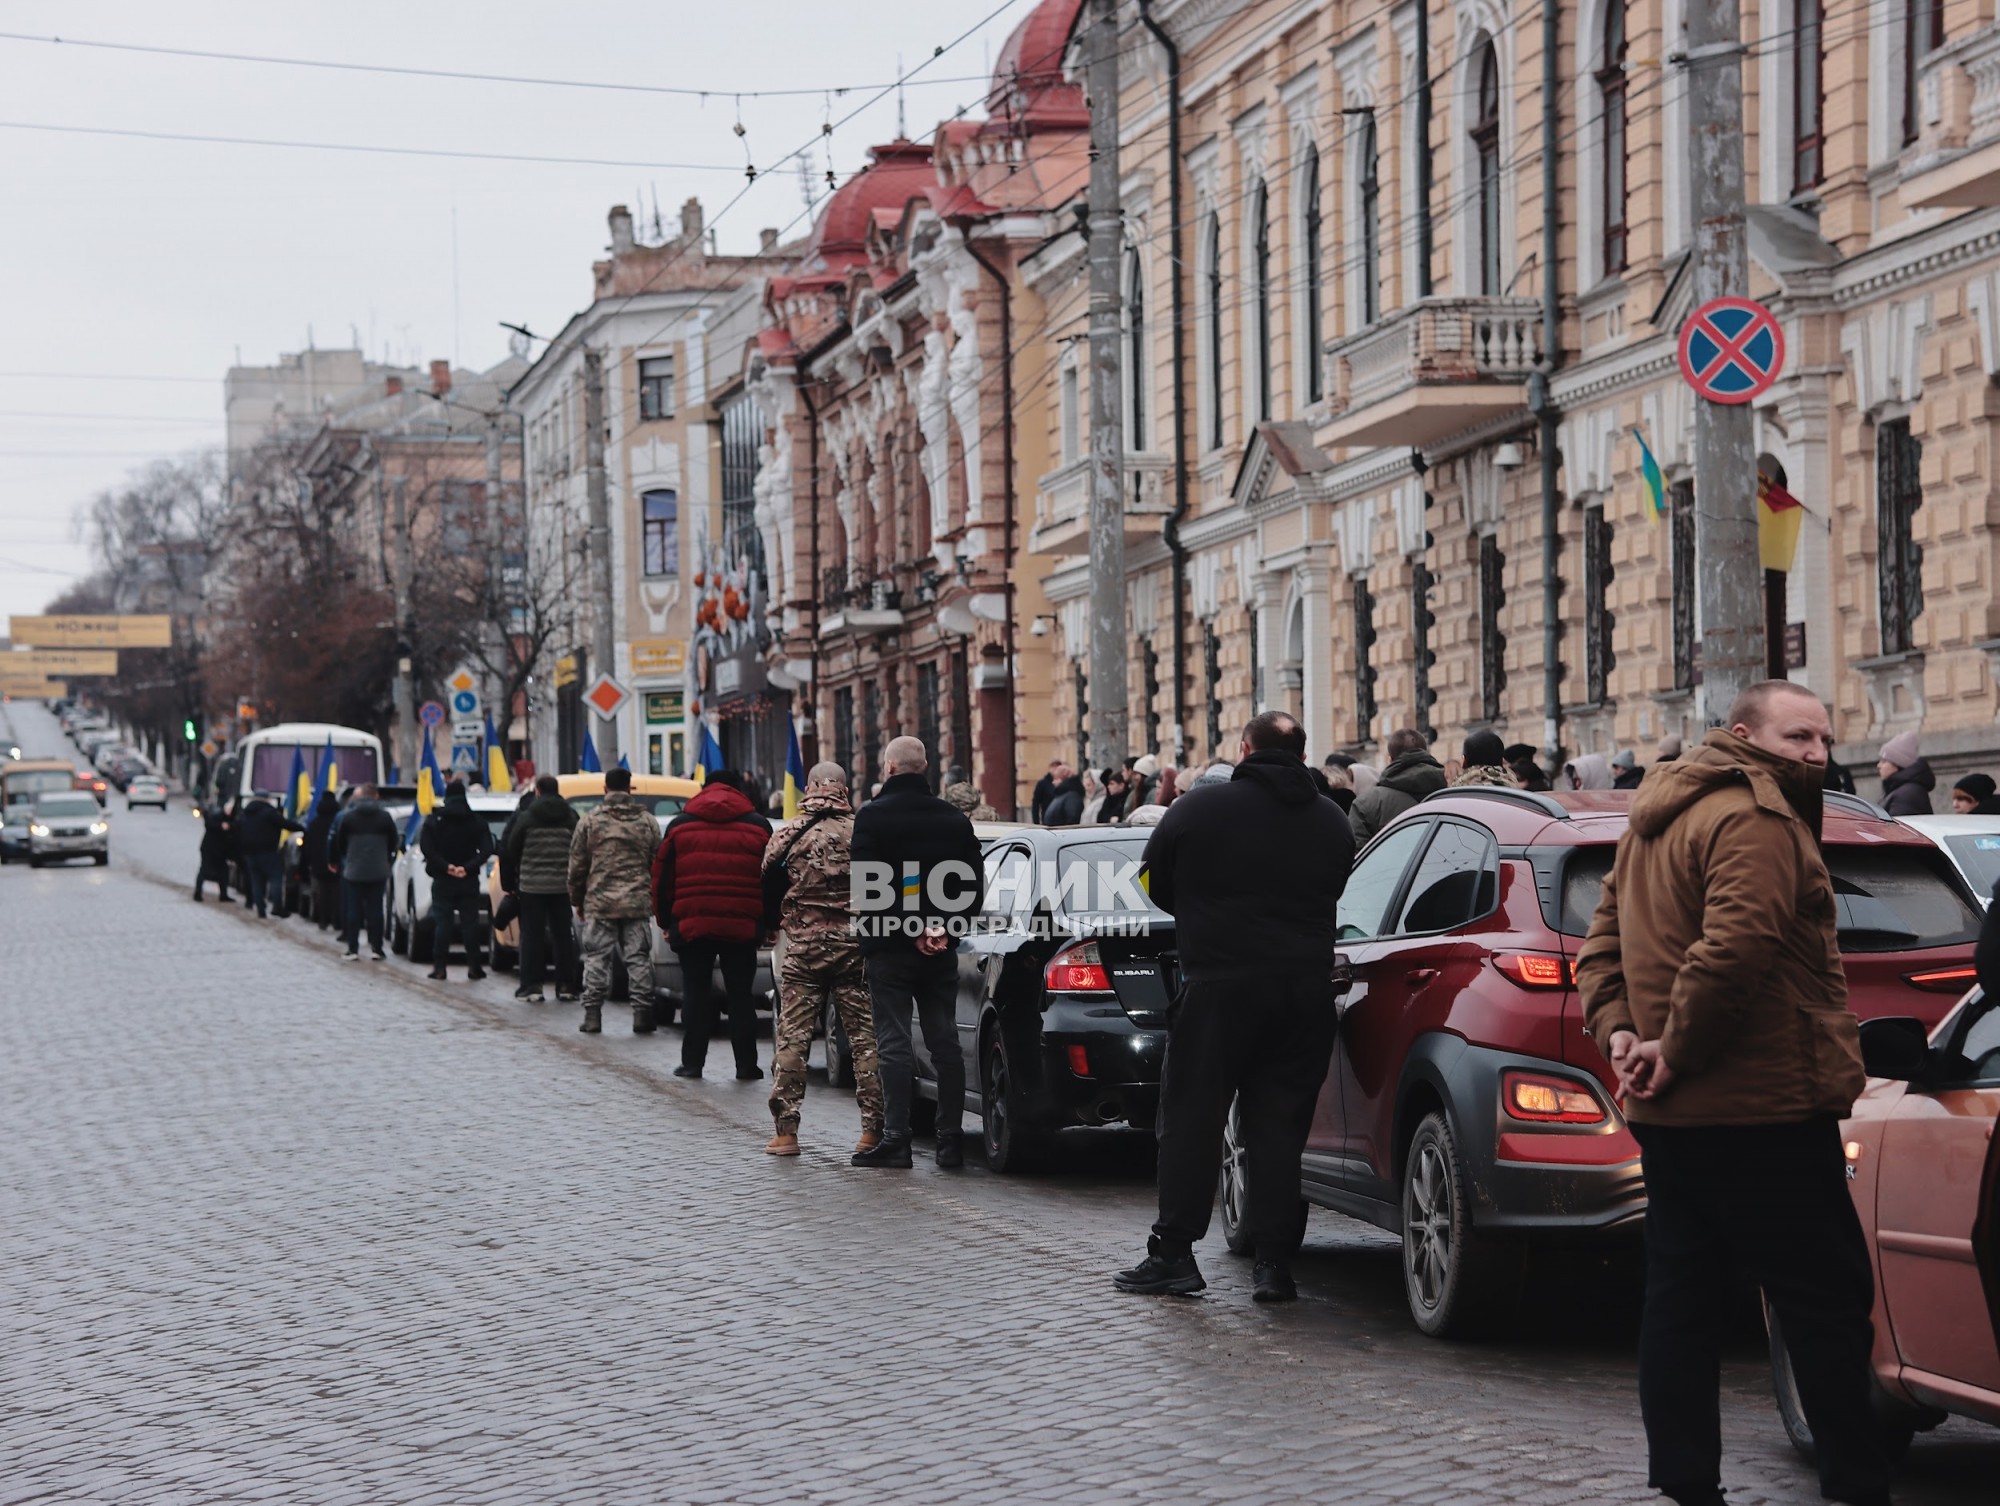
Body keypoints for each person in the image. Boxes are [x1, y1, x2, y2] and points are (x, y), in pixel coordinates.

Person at [1575, 681, 1886, 1506]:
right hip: (1766, 1105)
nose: (1816, 754)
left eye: (1822, 737)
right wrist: (1668, 1050)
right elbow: (1734, 950)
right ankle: (1857, 1484)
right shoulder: (1756, 816)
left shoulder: (1657, 815)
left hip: (1676, 1116)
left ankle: (1686, 1481)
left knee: (1681, 1297)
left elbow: (1601, 948)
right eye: (1797, 738)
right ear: (1744, 733)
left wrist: (1623, 1040)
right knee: (1824, 1300)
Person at [1114, 712, 1355, 1304]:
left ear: (1244, 749)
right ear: (1303, 753)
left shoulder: (1198, 809)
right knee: (1279, 1128)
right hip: (1302, 990)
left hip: (1218, 984)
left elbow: (1152, 881)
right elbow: (1338, 884)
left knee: (1192, 1120)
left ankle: (1174, 1253)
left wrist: (1201, 908)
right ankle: (1273, 1264)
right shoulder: (1330, 819)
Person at [848, 735, 984, 1169]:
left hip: (890, 948)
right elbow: (973, 885)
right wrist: (941, 926)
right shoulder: (953, 818)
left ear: (888, 768)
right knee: (945, 1042)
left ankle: (897, 1140)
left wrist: (912, 927)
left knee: (893, 1042)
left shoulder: (872, 817)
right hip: (939, 949)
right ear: (926, 767)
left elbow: (868, 888)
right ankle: (950, 1141)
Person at [760, 761, 884, 1158]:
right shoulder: (864, 832)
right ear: (844, 791)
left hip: (804, 949)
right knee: (865, 1039)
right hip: (854, 948)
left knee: (793, 1036)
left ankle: (786, 1133)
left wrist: (776, 923)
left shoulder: (787, 834)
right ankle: (872, 1132)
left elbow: (767, 883)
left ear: (810, 788)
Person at [652, 768, 770, 1074]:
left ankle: (692, 1063)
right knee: (741, 997)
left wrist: (666, 921)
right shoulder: (758, 826)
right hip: (742, 925)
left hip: (693, 924)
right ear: (740, 789)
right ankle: (747, 1065)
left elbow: (662, 878)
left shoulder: (681, 825)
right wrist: (770, 922)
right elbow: (772, 880)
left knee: (695, 993)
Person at [567, 766, 660, 1035]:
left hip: (600, 902)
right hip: (637, 901)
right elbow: (658, 862)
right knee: (638, 959)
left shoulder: (590, 821)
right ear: (630, 789)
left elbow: (577, 866)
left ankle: (593, 1015)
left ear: (605, 789)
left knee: (597, 959)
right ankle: (642, 1015)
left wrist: (578, 900)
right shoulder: (647, 822)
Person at [504, 774, 580, 1004]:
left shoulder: (527, 818)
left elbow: (510, 851)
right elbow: (580, 849)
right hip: (561, 887)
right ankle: (567, 985)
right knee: (563, 936)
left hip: (531, 887)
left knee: (532, 936)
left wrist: (510, 885)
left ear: (537, 791)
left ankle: (531, 986)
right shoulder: (570, 817)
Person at [417, 779, 495, 982]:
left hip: (443, 879)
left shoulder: (435, 821)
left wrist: (446, 867)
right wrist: (468, 867)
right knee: (471, 924)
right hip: (468, 880)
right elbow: (487, 849)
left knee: (443, 924)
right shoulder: (477, 821)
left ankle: (440, 967)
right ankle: (474, 967)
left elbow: (427, 848)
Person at [329, 784, 400, 960]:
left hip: (354, 869)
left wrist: (347, 858)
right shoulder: (385, 817)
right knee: (376, 910)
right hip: (378, 869)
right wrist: (386, 858)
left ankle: (353, 948)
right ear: (376, 796)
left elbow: (339, 842)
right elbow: (394, 841)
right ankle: (377, 948)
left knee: (353, 910)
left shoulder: (349, 817)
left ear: (359, 797)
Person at [1348, 727, 1447, 843]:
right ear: (1426, 753)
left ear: (1390, 760)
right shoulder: (1453, 795)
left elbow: (1357, 854)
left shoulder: (1366, 804)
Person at [233, 793, 299, 919]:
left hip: (250, 853)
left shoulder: (246, 813)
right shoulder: (269, 813)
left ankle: (260, 909)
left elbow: (238, 832)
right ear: (266, 799)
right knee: (275, 879)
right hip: (268, 852)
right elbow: (286, 824)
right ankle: (277, 907)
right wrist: (302, 828)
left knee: (256, 881)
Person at [299, 793, 340, 929]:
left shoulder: (314, 823)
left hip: (318, 862)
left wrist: (308, 861)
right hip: (336, 862)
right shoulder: (338, 821)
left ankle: (322, 920)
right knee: (336, 892)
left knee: (321, 892)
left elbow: (307, 844)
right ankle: (336, 920)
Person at [1876, 731, 1934, 815]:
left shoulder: (1906, 795)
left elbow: (1893, 827)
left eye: (1884, 761)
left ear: (1897, 764)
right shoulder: (1898, 790)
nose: (1879, 765)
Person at [194, 801, 236, 903]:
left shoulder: (231, 818)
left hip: (221, 851)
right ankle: (198, 892)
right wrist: (221, 826)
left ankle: (223, 894)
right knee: (204, 871)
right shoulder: (216, 815)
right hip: (209, 849)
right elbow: (208, 823)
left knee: (223, 873)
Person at [1029, 758, 1063, 823]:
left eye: (1057, 767)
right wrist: (1036, 821)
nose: (1055, 769)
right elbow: (1035, 803)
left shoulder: (1065, 782)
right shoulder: (1042, 783)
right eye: (1053, 767)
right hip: (1047, 818)